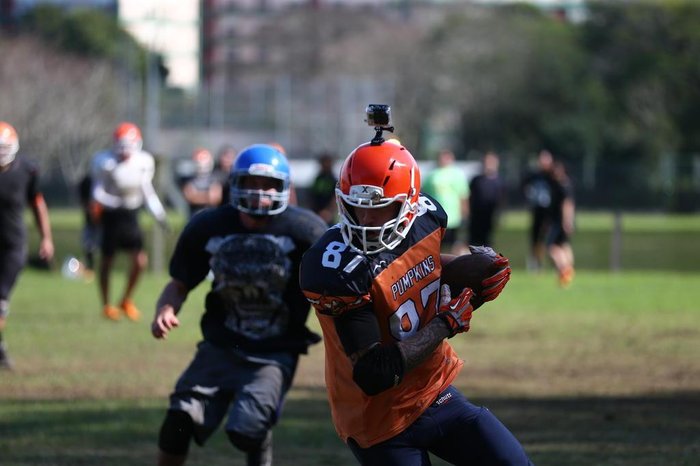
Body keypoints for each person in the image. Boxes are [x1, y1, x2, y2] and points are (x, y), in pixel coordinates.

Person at [300, 135, 533, 465]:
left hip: (435, 392)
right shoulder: (336, 268)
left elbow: (427, 265)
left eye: (380, 208)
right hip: (378, 422)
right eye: (358, 208)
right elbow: (375, 373)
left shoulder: (426, 219)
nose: (367, 222)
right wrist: (445, 323)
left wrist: (476, 271)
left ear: (409, 203)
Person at [150, 144, 327, 466]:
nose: (260, 193)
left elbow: (335, 290)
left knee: (248, 430)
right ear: (235, 184)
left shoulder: (308, 231)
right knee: (177, 422)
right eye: (252, 184)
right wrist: (165, 309)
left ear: (284, 188)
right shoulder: (208, 226)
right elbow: (179, 284)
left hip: (273, 351)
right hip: (220, 344)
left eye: (269, 185)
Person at [90, 122, 168, 322]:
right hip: (111, 216)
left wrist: (159, 214)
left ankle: (126, 299)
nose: (125, 151)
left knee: (140, 261)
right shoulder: (105, 162)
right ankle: (106, 305)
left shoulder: (143, 162)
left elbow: (147, 191)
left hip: (132, 214)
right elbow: (97, 193)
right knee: (107, 261)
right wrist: (114, 202)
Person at [0, 121, 54, 369]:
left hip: (12, 245)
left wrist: (46, 237)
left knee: (0, 299)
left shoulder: (26, 172)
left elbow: (38, 204)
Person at [421, 149, 469, 253]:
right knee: (437, 245)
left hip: (453, 218)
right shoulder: (431, 175)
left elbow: (463, 195)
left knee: (454, 245)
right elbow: (425, 195)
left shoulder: (457, 174)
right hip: (436, 217)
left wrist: (465, 214)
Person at [521, 149, 555, 271]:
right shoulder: (534, 175)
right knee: (535, 238)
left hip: (550, 212)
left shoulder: (552, 176)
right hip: (537, 210)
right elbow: (524, 185)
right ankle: (535, 263)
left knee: (548, 239)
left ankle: (545, 262)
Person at [468, 151, 507, 247]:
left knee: (488, 244)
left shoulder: (500, 181)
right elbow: (470, 197)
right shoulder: (476, 180)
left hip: (490, 217)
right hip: (476, 218)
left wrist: (500, 216)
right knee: (474, 244)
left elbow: (502, 200)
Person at [547, 161, 575, 287]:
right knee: (563, 245)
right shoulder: (564, 183)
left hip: (560, 222)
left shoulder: (562, 186)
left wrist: (567, 221)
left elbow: (567, 204)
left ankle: (564, 270)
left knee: (551, 247)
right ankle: (569, 270)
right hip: (561, 221)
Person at [180, 148, 223, 217]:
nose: (201, 164)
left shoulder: (215, 178)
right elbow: (190, 197)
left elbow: (215, 199)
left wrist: (197, 195)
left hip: (211, 217)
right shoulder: (189, 179)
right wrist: (207, 196)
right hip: (193, 216)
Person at [77, 172, 98, 276]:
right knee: (88, 245)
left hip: (104, 223)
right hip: (90, 223)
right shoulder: (86, 182)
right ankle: (90, 269)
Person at [309, 151, 338, 225]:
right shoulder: (318, 179)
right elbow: (312, 196)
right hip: (317, 215)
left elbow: (336, 197)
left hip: (329, 218)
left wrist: (328, 212)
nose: (325, 165)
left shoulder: (334, 180)